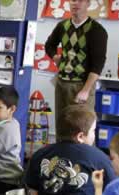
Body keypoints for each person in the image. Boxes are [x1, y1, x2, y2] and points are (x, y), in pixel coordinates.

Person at [43, 0, 108, 138]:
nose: (75, 3)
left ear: (88, 4)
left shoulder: (96, 30)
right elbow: (49, 45)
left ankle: (83, 158)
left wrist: (86, 90)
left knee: (82, 128)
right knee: (62, 125)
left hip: (81, 85)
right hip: (62, 83)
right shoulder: (62, 26)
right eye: (72, 0)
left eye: (80, 0)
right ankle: (61, 158)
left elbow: (98, 64)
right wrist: (56, 58)